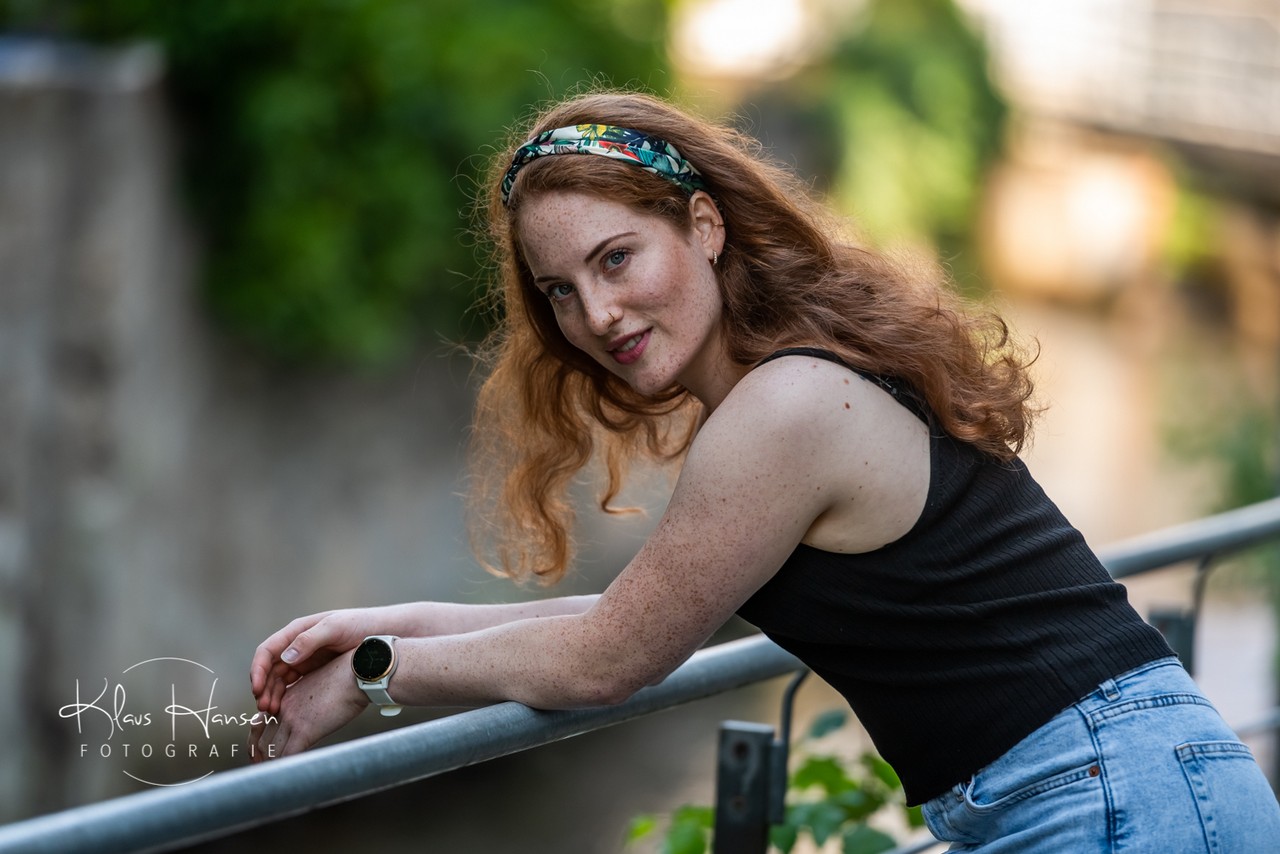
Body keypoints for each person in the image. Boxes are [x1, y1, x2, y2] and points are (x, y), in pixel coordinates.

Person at [249, 90, 1280, 850]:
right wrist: (388, 623)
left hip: (1111, 796)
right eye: (559, 290)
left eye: (616, 258)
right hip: (1108, 786)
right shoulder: (789, 386)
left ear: (703, 227)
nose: (596, 313)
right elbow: (635, 613)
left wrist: (376, 674)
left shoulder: (785, 407)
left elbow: (610, 656)